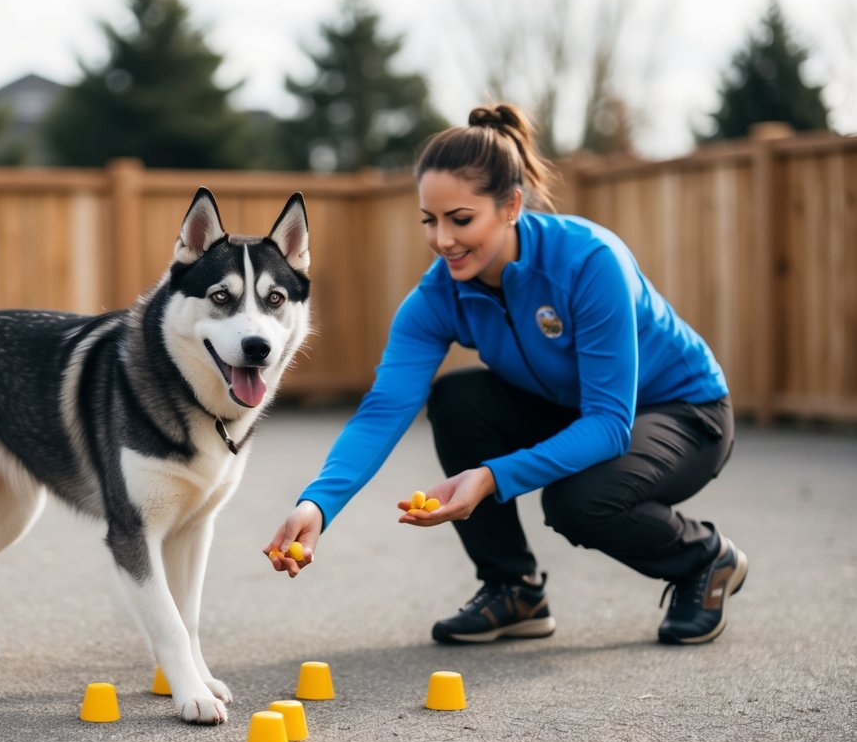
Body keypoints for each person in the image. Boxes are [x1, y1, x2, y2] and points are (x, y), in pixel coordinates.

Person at [263, 103, 747, 646]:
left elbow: (611, 424)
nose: (442, 239)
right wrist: (317, 504)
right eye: (430, 220)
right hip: (572, 405)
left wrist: (491, 476)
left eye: (461, 219)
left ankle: (703, 559)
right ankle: (512, 589)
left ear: (511, 205)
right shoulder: (438, 296)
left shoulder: (590, 262)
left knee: (577, 502)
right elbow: (383, 410)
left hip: (684, 411)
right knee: (457, 400)